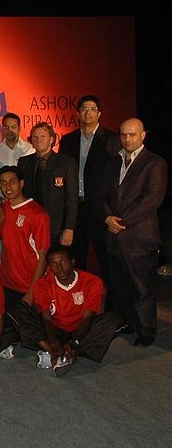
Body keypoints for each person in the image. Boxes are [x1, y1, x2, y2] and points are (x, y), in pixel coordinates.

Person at [101, 118, 168, 347]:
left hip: (139, 238)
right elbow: (103, 194)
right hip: (113, 236)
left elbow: (152, 199)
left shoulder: (155, 163)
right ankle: (127, 322)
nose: (127, 139)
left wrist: (121, 222)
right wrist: (107, 217)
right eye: (123, 134)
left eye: (132, 134)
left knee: (142, 287)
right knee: (119, 285)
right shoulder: (113, 161)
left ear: (143, 135)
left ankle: (146, 330)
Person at [32, 245, 125, 376]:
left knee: (114, 320)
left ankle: (66, 351)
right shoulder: (42, 284)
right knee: (22, 313)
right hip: (55, 329)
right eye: (54, 264)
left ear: (73, 262)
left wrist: (74, 341)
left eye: (63, 262)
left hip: (80, 330)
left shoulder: (92, 281)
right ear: (49, 267)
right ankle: (58, 351)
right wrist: (53, 342)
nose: (59, 268)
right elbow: (46, 319)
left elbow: (88, 317)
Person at [58, 95, 121, 271]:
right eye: (84, 109)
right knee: (76, 260)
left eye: (93, 109)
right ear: (78, 113)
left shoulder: (112, 139)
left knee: (107, 260)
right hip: (75, 209)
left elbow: (116, 177)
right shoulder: (68, 140)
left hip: (100, 209)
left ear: (99, 113)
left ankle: (110, 290)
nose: (88, 113)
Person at [0, 165, 53, 351]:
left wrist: (31, 292)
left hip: (30, 285)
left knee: (20, 315)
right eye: (3, 183)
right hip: (7, 284)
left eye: (12, 181)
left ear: (21, 183)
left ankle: (51, 350)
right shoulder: (1, 209)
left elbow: (43, 257)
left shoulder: (37, 214)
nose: (8, 187)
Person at [17, 122, 78, 246]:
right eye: (35, 137)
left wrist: (69, 228)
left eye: (42, 136)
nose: (38, 140)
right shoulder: (24, 162)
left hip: (56, 227)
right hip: (30, 224)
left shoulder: (66, 162)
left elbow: (72, 198)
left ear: (51, 139)